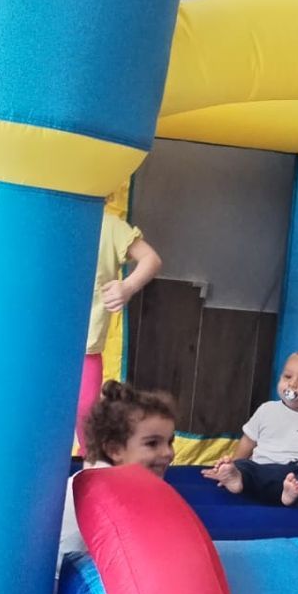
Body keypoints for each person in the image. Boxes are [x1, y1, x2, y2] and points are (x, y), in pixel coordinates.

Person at [204, 352, 298, 507]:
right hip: (260, 471)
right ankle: (237, 478)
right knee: (245, 466)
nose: (292, 384)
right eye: (287, 377)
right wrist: (233, 466)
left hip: (294, 476)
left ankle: (292, 493)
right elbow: (248, 442)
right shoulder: (266, 410)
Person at [59, 382, 177, 561]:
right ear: (114, 450)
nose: (168, 452)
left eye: (170, 442)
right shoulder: (106, 491)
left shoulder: (107, 480)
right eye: (152, 443)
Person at [75, 211, 162, 449]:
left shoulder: (108, 224)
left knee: (87, 414)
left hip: (87, 347)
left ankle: (91, 461)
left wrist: (128, 286)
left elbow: (151, 259)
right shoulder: (47, 213)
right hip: (42, 342)